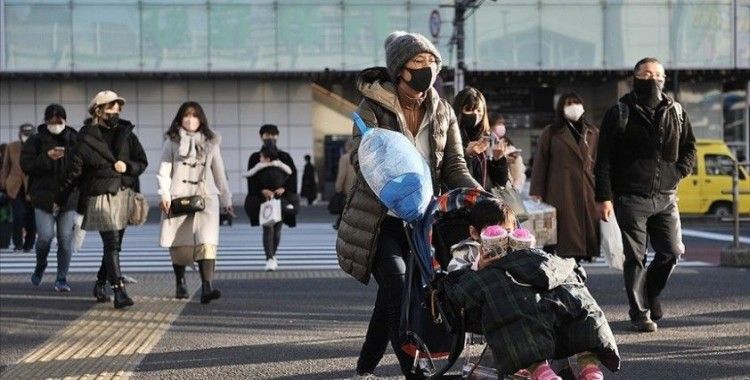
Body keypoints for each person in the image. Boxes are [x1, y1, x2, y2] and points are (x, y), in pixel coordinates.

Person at [336, 31, 480, 379]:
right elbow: (360, 159)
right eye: (418, 62)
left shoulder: (442, 110)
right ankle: (413, 372)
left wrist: (482, 198)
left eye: (431, 62)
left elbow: (455, 167)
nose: (426, 69)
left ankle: (365, 367)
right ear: (400, 69)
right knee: (399, 289)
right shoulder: (371, 107)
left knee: (392, 297)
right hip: (380, 218)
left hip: (423, 221)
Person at [445, 198, 618, 380]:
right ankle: (539, 369)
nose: (502, 239)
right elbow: (455, 280)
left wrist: (529, 254)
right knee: (521, 317)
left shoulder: (516, 245)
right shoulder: (466, 251)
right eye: (495, 234)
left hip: (533, 297)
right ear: (474, 232)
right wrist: (479, 266)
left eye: (508, 232)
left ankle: (589, 365)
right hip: (499, 304)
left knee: (575, 303)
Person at [594, 57, 696, 333]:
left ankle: (651, 293)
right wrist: (604, 197)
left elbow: (690, 148)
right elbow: (602, 159)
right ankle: (639, 313)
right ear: (635, 77)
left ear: (664, 78)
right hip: (630, 197)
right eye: (646, 74)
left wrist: (678, 172)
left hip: (666, 196)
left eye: (657, 74)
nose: (652, 79)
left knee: (671, 252)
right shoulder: (619, 112)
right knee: (635, 257)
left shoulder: (676, 111)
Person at [56, 90, 148, 309]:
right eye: (110, 108)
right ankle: (119, 291)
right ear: (98, 110)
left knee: (115, 246)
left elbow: (142, 162)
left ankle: (100, 282)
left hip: (124, 194)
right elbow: (73, 172)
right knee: (112, 243)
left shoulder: (127, 133)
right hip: (99, 195)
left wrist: (127, 167)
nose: (115, 112)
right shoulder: (85, 138)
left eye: (118, 108)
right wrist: (61, 198)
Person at [157, 101, 232, 304]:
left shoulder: (211, 142)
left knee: (207, 242)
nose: (191, 120)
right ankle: (180, 282)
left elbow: (219, 173)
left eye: (195, 116)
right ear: (180, 119)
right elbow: (163, 172)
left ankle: (206, 287)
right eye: (187, 116)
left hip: (206, 196)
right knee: (180, 244)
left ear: (201, 119)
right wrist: (164, 195)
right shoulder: (171, 141)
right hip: (178, 197)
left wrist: (226, 198)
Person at [529, 93, 599, 261]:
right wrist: (537, 190)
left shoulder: (592, 131)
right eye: (569, 103)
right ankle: (561, 266)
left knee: (583, 236)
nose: (574, 106)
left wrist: (604, 193)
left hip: (587, 189)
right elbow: (541, 162)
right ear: (561, 107)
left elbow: (601, 163)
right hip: (560, 189)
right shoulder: (551, 132)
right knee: (561, 236)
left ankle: (577, 266)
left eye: (577, 102)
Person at [20, 104, 79, 292]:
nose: (56, 125)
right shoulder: (36, 141)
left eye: (59, 122)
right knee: (44, 237)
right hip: (43, 197)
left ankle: (61, 278)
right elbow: (26, 166)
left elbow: (80, 166)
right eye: (52, 122)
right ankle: (41, 264)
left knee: (65, 239)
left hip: (68, 197)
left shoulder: (73, 139)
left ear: (65, 121)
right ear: (45, 122)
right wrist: (47, 157)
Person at [244, 124, 298, 272]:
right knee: (268, 227)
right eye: (267, 135)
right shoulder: (255, 157)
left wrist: (284, 189)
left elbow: (292, 176)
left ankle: (273, 255)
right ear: (261, 137)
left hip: (281, 199)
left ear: (277, 136)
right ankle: (269, 258)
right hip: (263, 199)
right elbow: (251, 178)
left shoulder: (284, 157)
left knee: (278, 228)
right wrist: (262, 190)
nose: (271, 138)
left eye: (273, 135)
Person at [453, 87, 509, 189]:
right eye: (469, 109)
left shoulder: (489, 138)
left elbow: (501, 182)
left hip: (485, 200)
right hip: (458, 200)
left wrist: (498, 160)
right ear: (459, 109)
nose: (475, 114)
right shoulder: (450, 136)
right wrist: (467, 155)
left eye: (479, 110)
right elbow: (451, 175)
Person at [0, 123, 37, 253]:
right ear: (19, 134)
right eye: (24, 134)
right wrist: (3, 183)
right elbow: (6, 167)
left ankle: (29, 244)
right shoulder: (12, 146)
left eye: (29, 134)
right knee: (18, 215)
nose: (26, 137)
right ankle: (18, 243)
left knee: (31, 217)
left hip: (32, 187)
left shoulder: (39, 146)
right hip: (14, 187)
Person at [333, 139, 356, 230]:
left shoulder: (345, 157)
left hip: (348, 187)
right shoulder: (361, 156)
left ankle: (342, 224)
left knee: (346, 207)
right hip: (359, 187)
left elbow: (342, 174)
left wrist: (338, 187)